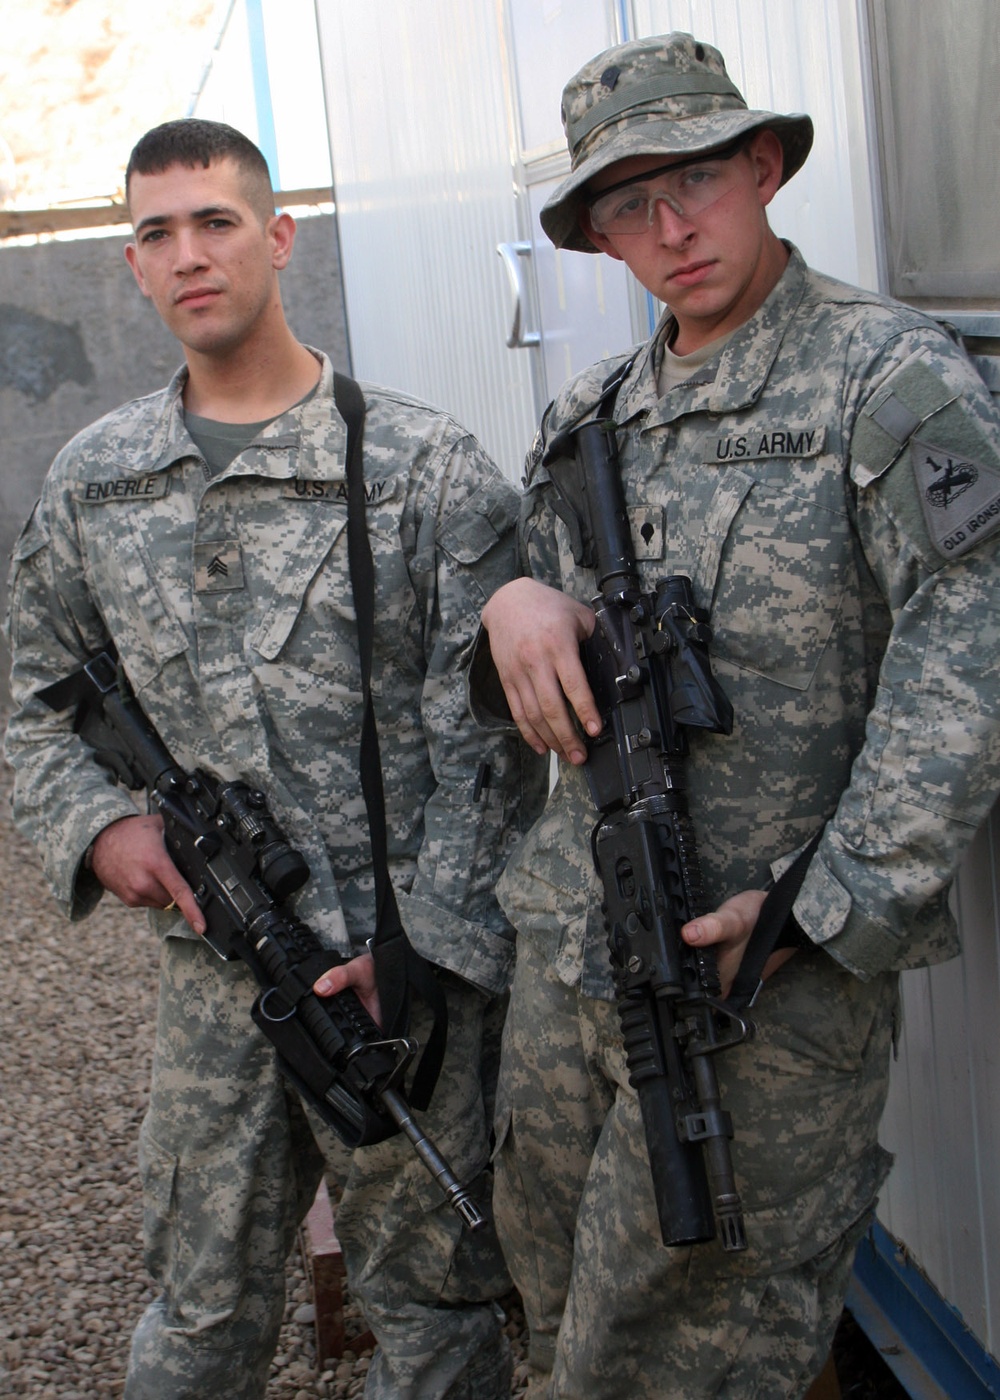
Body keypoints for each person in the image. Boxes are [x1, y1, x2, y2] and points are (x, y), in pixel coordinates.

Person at [474, 33, 1000, 1399]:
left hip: (762, 982)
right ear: (597, 238)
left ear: (762, 166)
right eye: (627, 207)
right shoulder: (595, 419)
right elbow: (535, 645)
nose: (670, 229)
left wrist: (822, 909)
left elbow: (974, 645)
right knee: (553, 1288)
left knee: (681, 1342)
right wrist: (516, 601)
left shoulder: (891, 378)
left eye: (695, 180)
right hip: (581, 948)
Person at [4, 118, 544, 1400]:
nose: (188, 255)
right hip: (214, 978)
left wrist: (425, 947)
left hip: (395, 979)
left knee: (434, 1310)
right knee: (199, 1312)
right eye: (156, 233)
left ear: (278, 237)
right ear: (132, 264)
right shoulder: (98, 479)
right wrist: (96, 825)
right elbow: (31, 700)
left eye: (216, 221)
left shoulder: (418, 465)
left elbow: (491, 745)